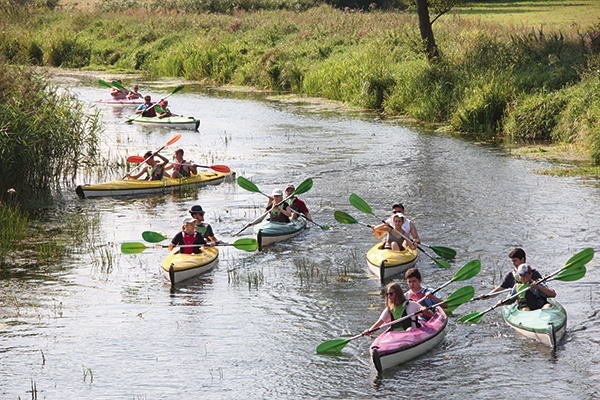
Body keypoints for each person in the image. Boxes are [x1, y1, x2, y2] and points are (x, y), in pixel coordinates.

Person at [477, 248, 543, 299]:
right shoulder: (510, 275)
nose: (513, 263)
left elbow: (544, 287)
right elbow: (500, 289)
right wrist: (486, 296)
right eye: (512, 261)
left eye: (515, 261)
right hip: (519, 302)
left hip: (534, 300)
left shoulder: (534, 273)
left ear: (522, 259)